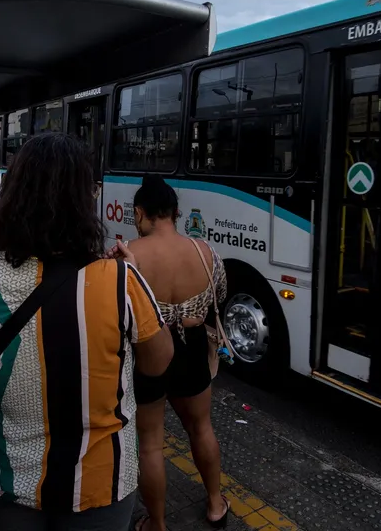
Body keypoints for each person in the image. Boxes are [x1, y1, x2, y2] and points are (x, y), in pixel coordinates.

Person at [0, 132, 174, 530]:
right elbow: (159, 363)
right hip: (100, 485)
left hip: (6, 481)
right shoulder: (122, 281)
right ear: (82, 200)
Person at [109, 175, 230, 531]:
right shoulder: (204, 251)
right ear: (176, 213)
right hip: (191, 347)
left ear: (141, 212)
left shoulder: (127, 256)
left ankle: (157, 524)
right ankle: (214, 505)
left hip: (147, 352)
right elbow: (218, 294)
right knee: (201, 427)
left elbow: (116, 310)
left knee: (150, 444)